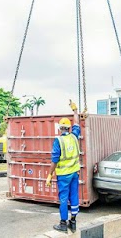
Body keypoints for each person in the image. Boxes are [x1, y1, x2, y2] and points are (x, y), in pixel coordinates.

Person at [46, 100, 81, 233]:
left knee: (64, 198)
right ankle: (73, 222)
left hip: (64, 175)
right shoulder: (74, 136)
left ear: (60, 128)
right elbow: (77, 123)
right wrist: (75, 111)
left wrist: (49, 175)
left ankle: (63, 224)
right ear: (69, 128)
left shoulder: (58, 140)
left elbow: (54, 160)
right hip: (74, 173)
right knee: (74, 196)